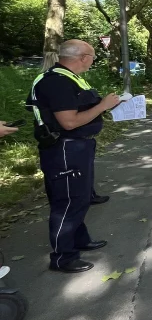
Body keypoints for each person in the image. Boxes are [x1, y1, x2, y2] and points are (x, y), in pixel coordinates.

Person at [27, 40, 120, 273]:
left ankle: (80, 239)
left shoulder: (68, 78)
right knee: (68, 202)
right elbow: (69, 122)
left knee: (78, 198)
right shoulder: (57, 82)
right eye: (93, 56)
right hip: (65, 149)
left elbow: (81, 109)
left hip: (78, 148)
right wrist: (102, 106)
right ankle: (63, 257)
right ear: (82, 57)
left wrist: (105, 106)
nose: (93, 61)